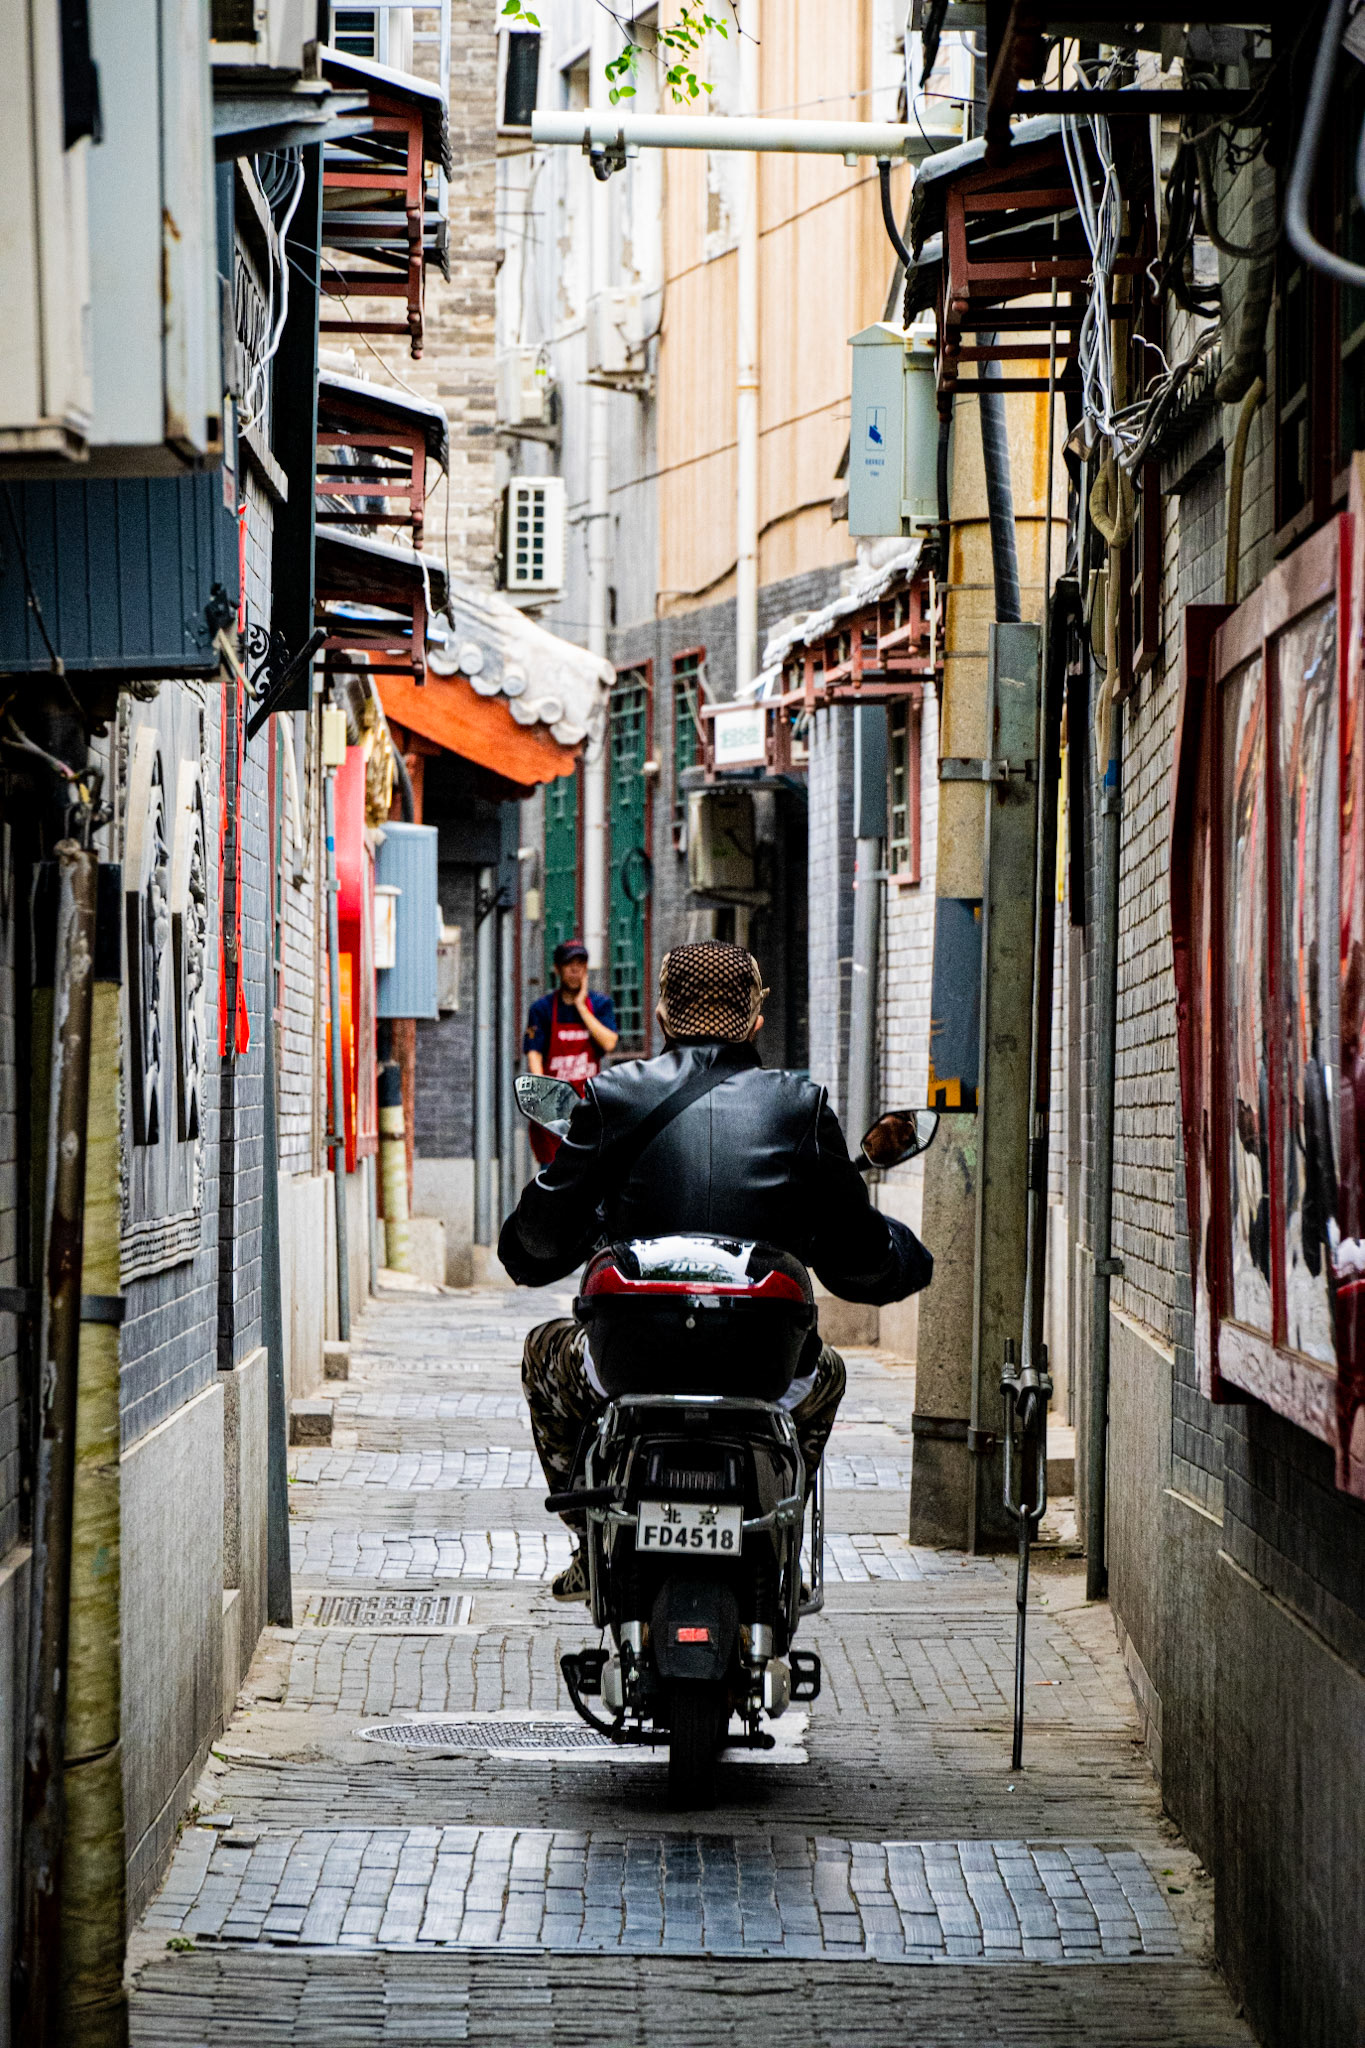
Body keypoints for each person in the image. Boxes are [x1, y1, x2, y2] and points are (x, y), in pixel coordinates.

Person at [499, 939, 933, 1601]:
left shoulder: (610, 1095)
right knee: (828, 1374)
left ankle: (590, 1540)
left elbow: (531, 1243)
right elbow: (860, 1260)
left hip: (625, 1367)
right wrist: (903, 1255)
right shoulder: (799, 1105)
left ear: (662, 1017)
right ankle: (778, 1540)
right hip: (764, 1370)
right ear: (756, 1022)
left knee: (541, 1353)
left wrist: (564, 1234)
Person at [522, 938, 619, 1164]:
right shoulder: (541, 1009)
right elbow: (534, 1054)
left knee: (589, 1182)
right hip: (553, 1110)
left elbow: (609, 1043)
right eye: (569, 964)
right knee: (551, 1177)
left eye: (580, 964)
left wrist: (581, 1007)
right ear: (557, 969)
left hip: (589, 1109)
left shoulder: (600, 1005)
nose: (575, 970)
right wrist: (543, 1099)